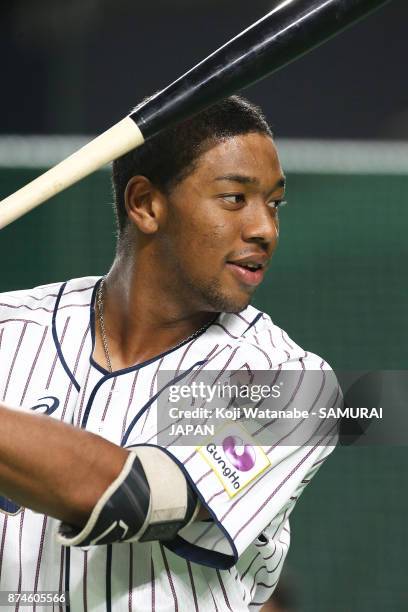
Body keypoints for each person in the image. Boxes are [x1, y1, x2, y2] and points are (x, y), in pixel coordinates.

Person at [0, 96, 339, 610]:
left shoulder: (294, 386)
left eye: (274, 203)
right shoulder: (8, 328)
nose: (265, 228)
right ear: (146, 205)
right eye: (234, 198)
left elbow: (128, 498)